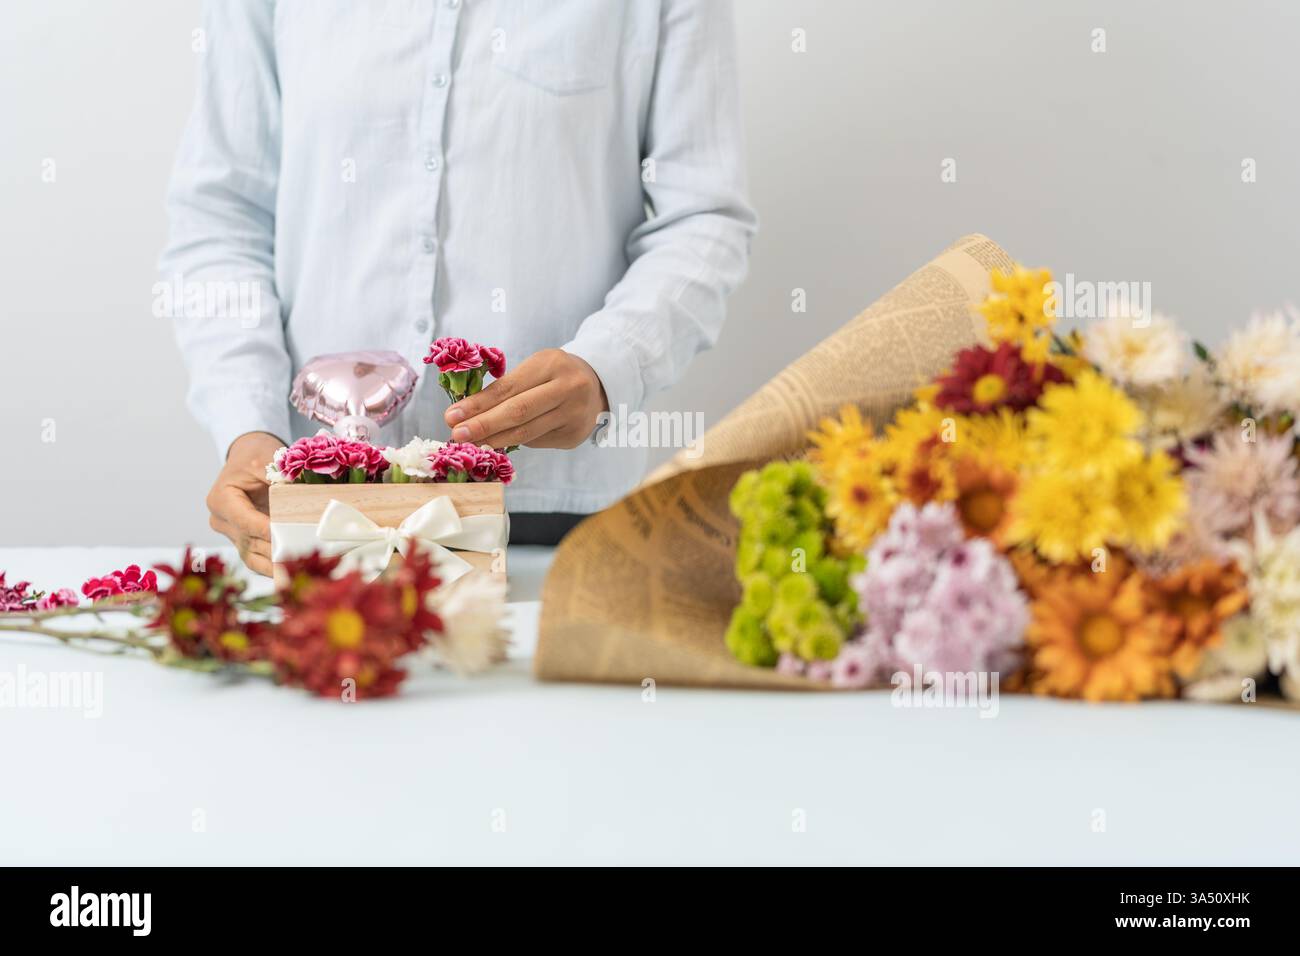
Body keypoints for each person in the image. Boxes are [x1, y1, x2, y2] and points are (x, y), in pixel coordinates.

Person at [161, 0, 756, 573]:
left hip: (556, 517)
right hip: (314, 503)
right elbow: (221, 217)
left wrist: (610, 366)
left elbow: (703, 217)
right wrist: (247, 425)